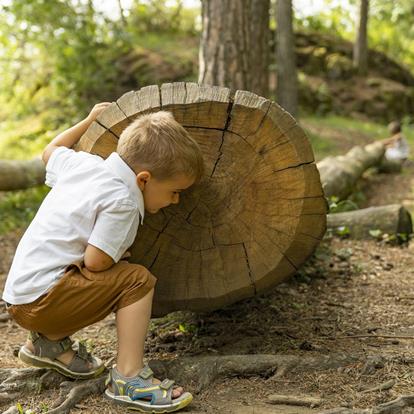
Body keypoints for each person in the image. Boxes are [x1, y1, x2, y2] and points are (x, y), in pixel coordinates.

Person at [2, 103, 204, 413]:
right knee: (136, 280)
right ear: (145, 179)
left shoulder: (86, 165)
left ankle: (49, 344)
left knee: (99, 271)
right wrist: (118, 254)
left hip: (20, 295)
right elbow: (96, 261)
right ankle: (128, 377)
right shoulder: (123, 200)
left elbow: (51, 150)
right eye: (175, 191)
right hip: (40, 304)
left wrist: (88, 120)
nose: (176, 200)